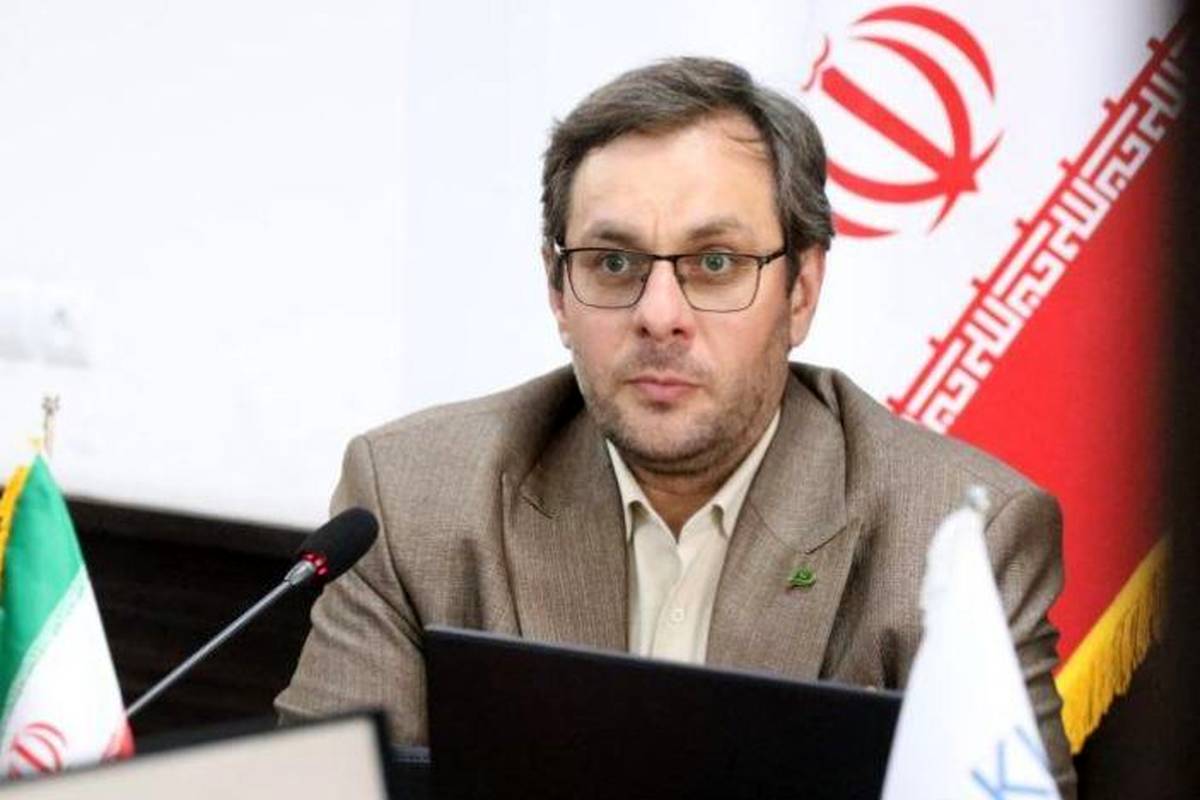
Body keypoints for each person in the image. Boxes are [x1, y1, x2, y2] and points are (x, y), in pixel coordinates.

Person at [276, 57, 1075, 794]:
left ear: (800, 291)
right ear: (558, 292)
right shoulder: (412, 501)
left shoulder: (958, 542)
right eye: (613, 263)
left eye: (715, 263)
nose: (660, 316)